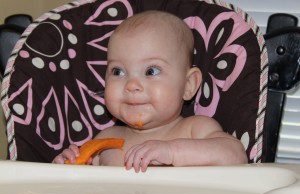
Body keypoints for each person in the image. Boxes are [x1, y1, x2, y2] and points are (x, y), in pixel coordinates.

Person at [53, 10, 247, 172]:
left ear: (188, 85)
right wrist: (67, 167)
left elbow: (236, 155)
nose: (131, 85)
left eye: (151, 71)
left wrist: (172, 152)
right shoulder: (105, 141)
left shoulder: (194, 129)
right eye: (117, 71)